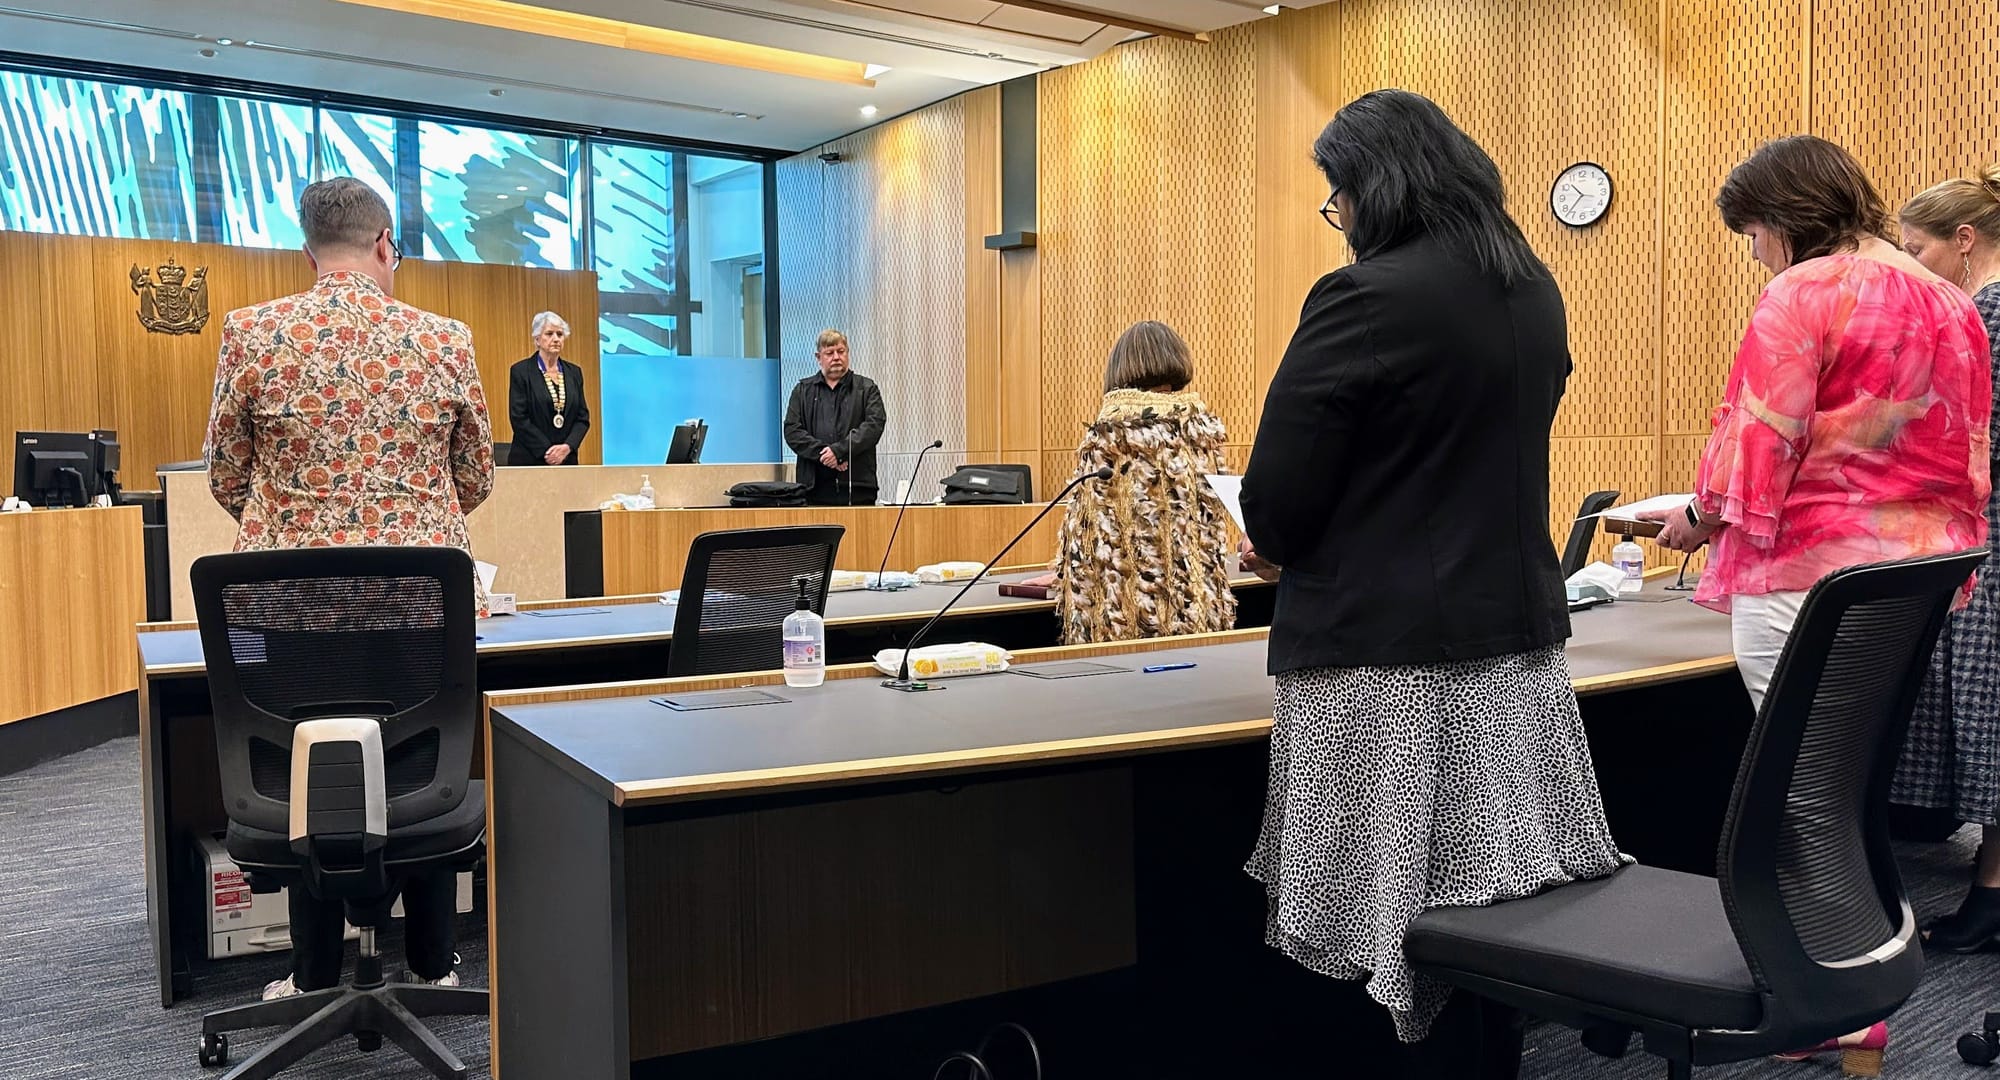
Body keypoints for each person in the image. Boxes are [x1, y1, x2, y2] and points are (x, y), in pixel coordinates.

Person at [1236, 89, 1624, 1077]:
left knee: (1378, 925)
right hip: (1512, 652)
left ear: (1373, 186)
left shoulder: (1362, 297)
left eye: (1337, 194)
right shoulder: (1531, 287)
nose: (1341, 216)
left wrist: (1278, 537)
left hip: (1380, 663)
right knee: (1483, 910)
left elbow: (1276, 506)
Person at [1640, 138, 1991, 1070]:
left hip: (1808, 575)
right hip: (1908, 577)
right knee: (1843, 784)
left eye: (1751, 232)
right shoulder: (1951, 300)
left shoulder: (1806, 290)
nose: (1754, 252)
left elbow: (1764, 435)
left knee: (1797, 796)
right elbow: (1965, 450)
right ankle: (1859, 970)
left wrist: (1699, 515)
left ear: (1782, 217)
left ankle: (1841, 998)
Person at [203, 175, 492, 1001]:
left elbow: (228, 478)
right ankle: (434, 963)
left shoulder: (252, 334)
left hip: (289, 623)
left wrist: (299, 537)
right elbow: (473, 478)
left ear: (308, 249)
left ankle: (313, 971)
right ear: (384, 245)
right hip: (420, 616)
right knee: (420, 758)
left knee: (300, 762)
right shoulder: (443, 339)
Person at [1886, 167, 2000, 953]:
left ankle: (1991, 897)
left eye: (1917, 248)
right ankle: (1991, 888)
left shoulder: (1981, 315)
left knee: (1989, 731)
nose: (1912, 264)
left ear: (1964, 242)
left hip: (1987, 541)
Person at [1021, 320, 1236, 644]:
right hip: (1195, 608)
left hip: (1125, 615)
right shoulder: (1201, 433)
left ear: (1121, 367)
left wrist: (1067, 574)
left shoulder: (1111, 435)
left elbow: (1090, 531)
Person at [782, 329, 887, 505]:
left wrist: (839, 451)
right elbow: (792, 431)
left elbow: (873, 426)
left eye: (841, 351)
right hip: (813, 488)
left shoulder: (867, 388)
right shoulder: (802, 390)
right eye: (829, 353)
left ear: (848, 353)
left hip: (857, 486)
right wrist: (826, 454)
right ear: (818, 357)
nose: (836, 357)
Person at [506, 311, 590, 465]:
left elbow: (582, 418)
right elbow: (519, 418)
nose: (556, 339)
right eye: (549, 334)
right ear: (537, 339)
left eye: (560, 334)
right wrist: (549, 452)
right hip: (530, 459)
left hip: (566, 459)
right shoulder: (521, 371)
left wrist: (566, 447)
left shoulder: (574, 372)